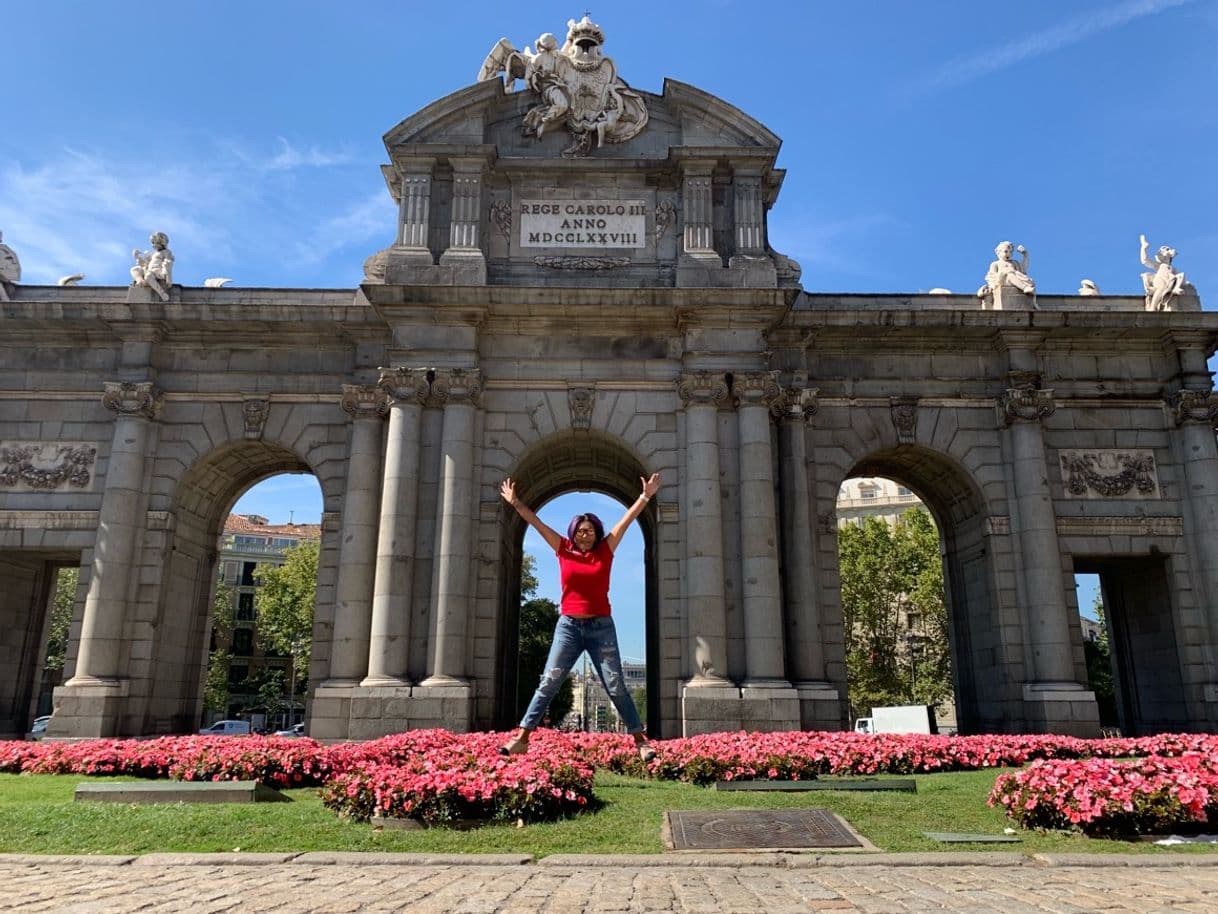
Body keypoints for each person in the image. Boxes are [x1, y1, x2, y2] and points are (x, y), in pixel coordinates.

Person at [499, 472, 661, 760]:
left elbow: (625, 521)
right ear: (573, 532)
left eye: (589, 530)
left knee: (615, 685)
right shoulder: (563, 549)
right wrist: (516, 504)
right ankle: (522, 737)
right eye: (580, 530)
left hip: (601, 627)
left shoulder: (606, 550)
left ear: (597, 532)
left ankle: (640, 741)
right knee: (549, 681)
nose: (585, 534)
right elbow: (537, 523)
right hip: (569, 627)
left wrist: (645, 496)